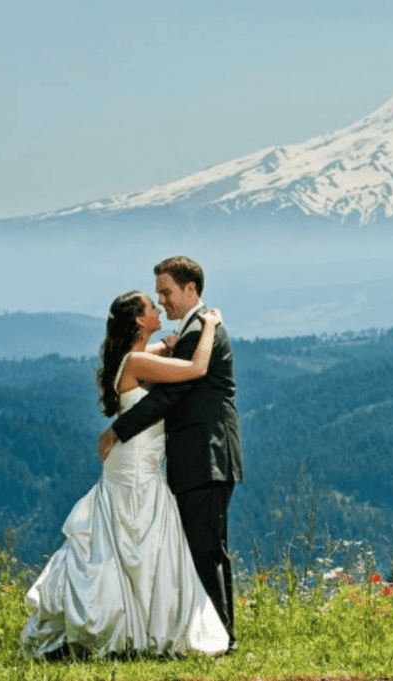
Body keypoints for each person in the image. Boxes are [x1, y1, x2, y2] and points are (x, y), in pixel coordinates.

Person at [21, 291, 230, 659]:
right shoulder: (135, 360)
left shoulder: (138, 357)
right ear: (138, 320)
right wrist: (210, 325)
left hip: (137, 460)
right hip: (135, 466)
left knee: (134, 541)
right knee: (138, 538)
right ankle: (135, 628)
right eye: (152, 306)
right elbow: (196, 369)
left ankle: (135, 627)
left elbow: (164, 363)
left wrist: (168, 347)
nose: (158, 307)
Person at [97, 255, 243, 652]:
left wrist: (118, 429)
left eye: (166, 292)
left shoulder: (200, 332)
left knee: (205, 551)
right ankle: (214, 634)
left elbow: (169, 395)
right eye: (157, 296)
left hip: (205, 457)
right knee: (203, 549)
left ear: (190, 289)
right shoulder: (194, 331)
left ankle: (220, 638)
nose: (162, 302)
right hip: (198, 459)